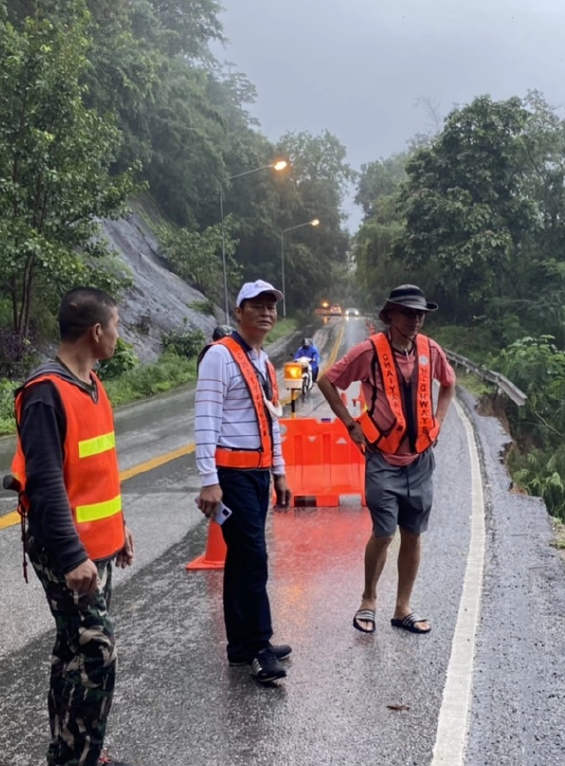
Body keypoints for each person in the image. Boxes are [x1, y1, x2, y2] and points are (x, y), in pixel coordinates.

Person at [10, 287, 136, 766]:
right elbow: (45, 485)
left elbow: (98, 470)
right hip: (67, 552)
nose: (119, 334)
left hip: (96, 547)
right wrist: (71, 556)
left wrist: (120, 528)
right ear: (95, 333)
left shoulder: (91, 385)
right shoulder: (45, 393)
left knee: (73, 651)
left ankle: (80, 755)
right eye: (116, 325)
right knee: (96, 653)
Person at [317, 284, 456, 636]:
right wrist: (351, 425)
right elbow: (327, 380)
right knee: (383, 533)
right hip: (382, 460)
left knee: (413, 534)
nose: (416, 319)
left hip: (420, 461)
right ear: (390, 315)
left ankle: (402, 608)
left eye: (420, 313)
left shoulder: (430, 350)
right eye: (408, 313)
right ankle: (368, 600)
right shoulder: (369, 352)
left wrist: (438, 422)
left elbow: (449, 383)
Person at [194, 279, 294, 684]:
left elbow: (270, 421)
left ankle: (240, 646)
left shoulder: (263, 361)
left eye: (271, 305)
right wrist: (208, 480)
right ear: (239, 311)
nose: (266, 312)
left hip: (256, 475)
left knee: (240, 559)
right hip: (230, 477)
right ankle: (259, 646)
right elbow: (205, 419)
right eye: (257, 305)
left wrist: (279, 471)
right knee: (253, 559)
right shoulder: (220, 356)